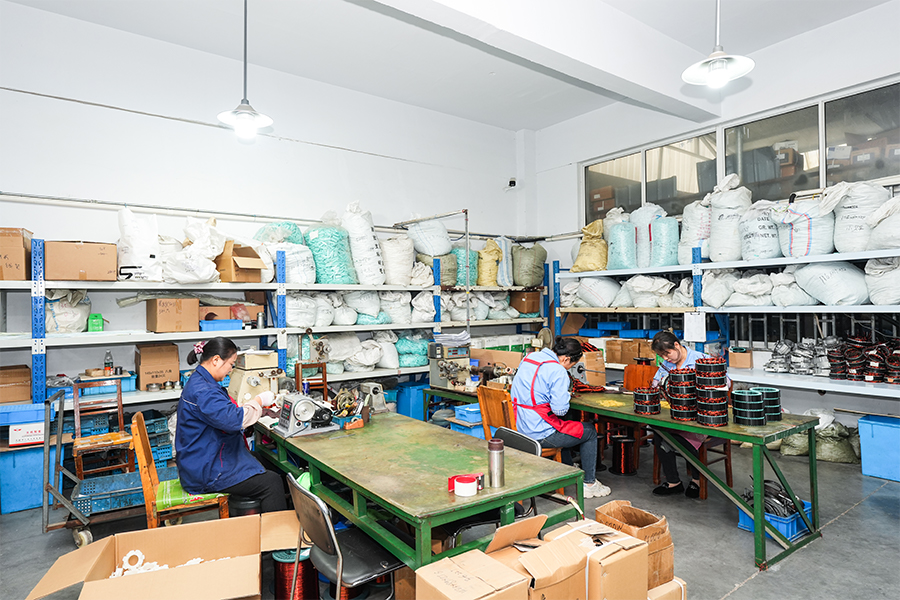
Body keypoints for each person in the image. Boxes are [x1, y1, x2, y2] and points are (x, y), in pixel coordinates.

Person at [176, 337, 286, 512]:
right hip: (205, 471)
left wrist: (257, 409)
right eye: (231, 364)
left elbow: (223, 413)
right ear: (216, 360)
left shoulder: (201, 381)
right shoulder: (205, 391)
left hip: (203, 458)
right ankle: (276, 529)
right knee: (271, 483)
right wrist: (258, 401)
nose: (230, 370)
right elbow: (235, 420)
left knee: (269, 462)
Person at [511, 336, 610, 498]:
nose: (570, 369)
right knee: (589, 431)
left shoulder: (530, 357)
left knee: (568, 424)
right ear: (566, 359)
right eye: (572, 365)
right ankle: (589, 484)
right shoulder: (558, 371)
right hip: (539, 433)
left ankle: (567, 467)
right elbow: (559, 410)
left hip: (520, 426)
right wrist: (565, 395)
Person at [650, 331, 712, 499]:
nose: (666, 358)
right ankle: (673, 482)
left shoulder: (701, 359)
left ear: (676, 345)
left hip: (700, 416)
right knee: (659, 431)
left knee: (684, 435)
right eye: (662, 356)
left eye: (667, 353)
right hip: (675, 414)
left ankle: (697, 480)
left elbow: (725, 381)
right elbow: (655, 384)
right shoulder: (667, 365)